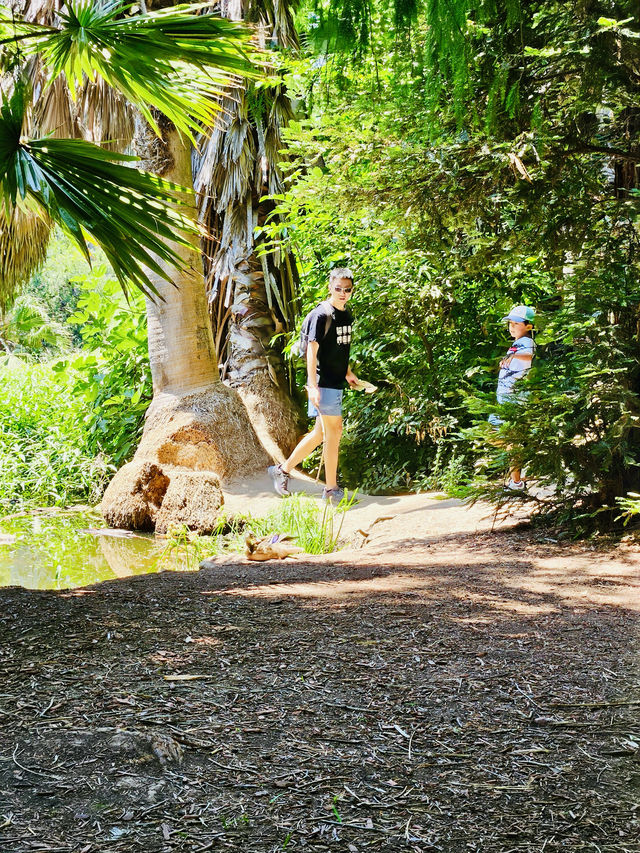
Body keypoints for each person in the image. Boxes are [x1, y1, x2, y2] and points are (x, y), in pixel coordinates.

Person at [268, 267, 360, 503]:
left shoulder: (346, 315)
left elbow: (340, 350)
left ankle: (282, 470)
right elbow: (312, 350)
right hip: (323, 382)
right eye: (338, 288)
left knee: (320, 434)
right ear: (330, 287)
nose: (342, 293)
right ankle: (331, 489)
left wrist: (348, 373)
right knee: (334, 431)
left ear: (351, 291)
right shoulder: (321, 315)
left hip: (337, 382)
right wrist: (312, 386)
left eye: (347, 289)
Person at [489, 304, 536, 491]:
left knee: (509, 438)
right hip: (506, 396)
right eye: (510, 323)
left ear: (528, 326)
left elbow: (528, 356)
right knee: (498, 435)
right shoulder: (517, 344)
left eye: (516, 323)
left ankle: (516, 481)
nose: (512, 327)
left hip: (513, 397)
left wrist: (514, 356)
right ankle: (517, 474)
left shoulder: (526, 342)